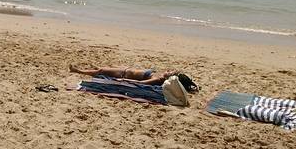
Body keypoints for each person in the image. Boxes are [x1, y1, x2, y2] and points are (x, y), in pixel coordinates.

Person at [69, 64, 199, 92]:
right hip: (125, 70)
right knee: (102, 69)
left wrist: (124, 81)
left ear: (169, 77)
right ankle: (91, 70)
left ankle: (77, 70)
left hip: (123, 74)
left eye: (169, 72)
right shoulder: (159, 76)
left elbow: (141, 83)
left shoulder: (158, 79)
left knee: (101, 71)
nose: (167, 70)